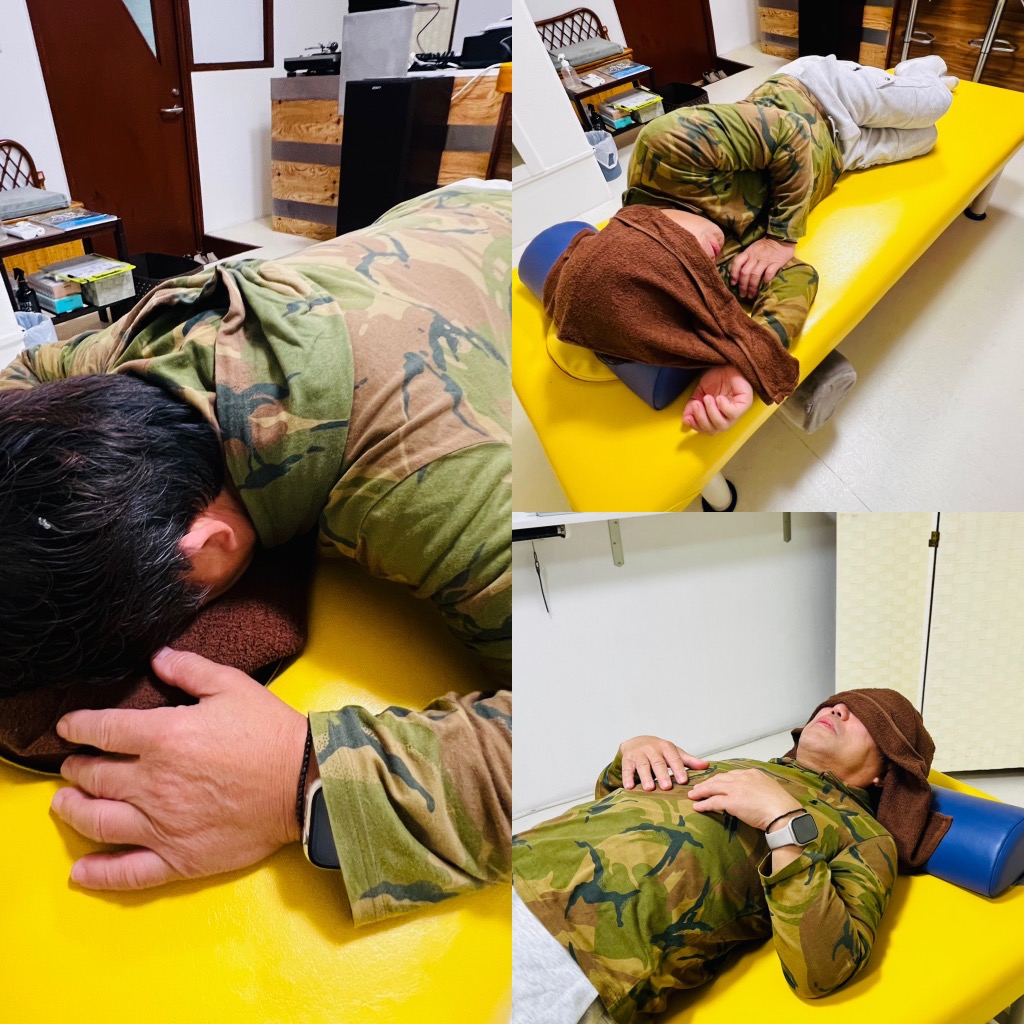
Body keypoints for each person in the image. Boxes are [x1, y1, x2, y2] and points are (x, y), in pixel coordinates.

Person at [0, 180, 512, 922]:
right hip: (425, 221)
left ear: (208, 547)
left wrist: (298, 782)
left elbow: (593, 705)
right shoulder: (130, 352)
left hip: (499, 221)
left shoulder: (432, 480)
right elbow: (20, 382)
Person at [543, 55, 957, 435]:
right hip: (842, 155)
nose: (708, 257)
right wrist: (746, 360)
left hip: (821, 96)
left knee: (937, 102)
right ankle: (906, 84)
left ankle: (917, 71)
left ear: (648, 227)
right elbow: (796, 277)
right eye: (693, 270)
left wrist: (779, 238)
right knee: (928, 138)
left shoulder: (667, 147)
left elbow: (792, 134)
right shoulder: (697, 268)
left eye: (686, 249)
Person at [512, 688, 951, 1024]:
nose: (837, 710)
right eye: (837, 703)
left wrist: (784, 822)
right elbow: (617, 810)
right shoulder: (750, 766)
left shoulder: (866, 836)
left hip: (579, 953)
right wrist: (632, 754)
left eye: (866, 719)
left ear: (885, 774)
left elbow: (825, 969)